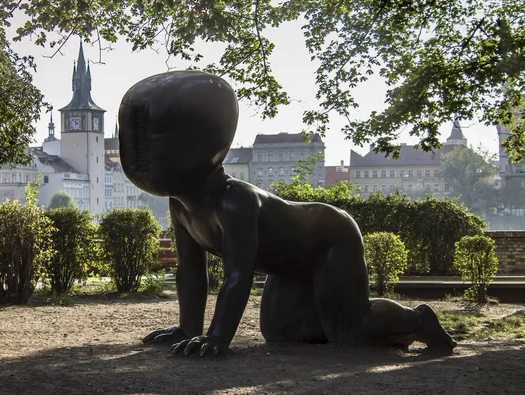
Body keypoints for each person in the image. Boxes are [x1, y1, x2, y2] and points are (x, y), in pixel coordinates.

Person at [118, 71, 457, 357]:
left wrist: (218, 337)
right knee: (282, 333)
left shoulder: (234, 200)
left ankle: (418, 321)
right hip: (288, 265)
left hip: (329, 239)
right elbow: (191, 270)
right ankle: (351, 323)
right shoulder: (181, 204)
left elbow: (238, 276)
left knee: (349, 333)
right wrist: (187, 329)